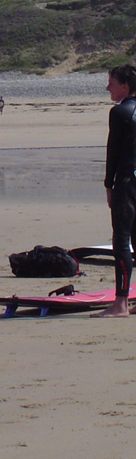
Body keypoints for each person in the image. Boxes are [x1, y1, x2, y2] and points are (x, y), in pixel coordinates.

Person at [98, 64, 136, 317]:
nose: (107, 87)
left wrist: (108, 185)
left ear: (125, 86)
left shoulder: (119, 112)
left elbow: (113, 152)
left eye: (111, 83)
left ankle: (121, 303)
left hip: (126, 184)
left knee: (121, 240)